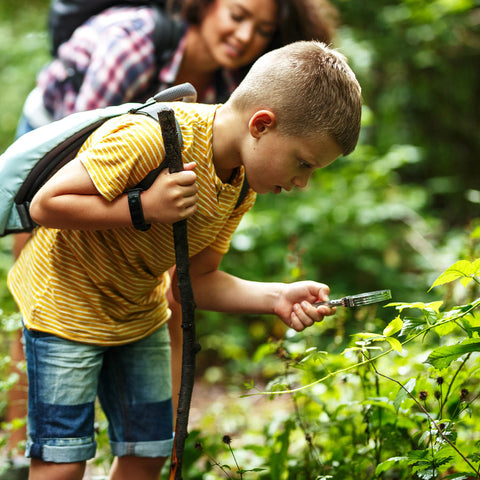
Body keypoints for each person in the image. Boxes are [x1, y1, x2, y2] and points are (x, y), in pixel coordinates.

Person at [3, 0, 340, 471]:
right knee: (62, 461)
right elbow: (45, 204)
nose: (303, 181)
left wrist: (277, 296)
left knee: (149, 452)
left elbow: (195, 280)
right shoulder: (152, 137)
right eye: (303, 163)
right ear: (261, 124)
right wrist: (144, 206)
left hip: (137, 315)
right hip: (66, 308)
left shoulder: (239, 184)